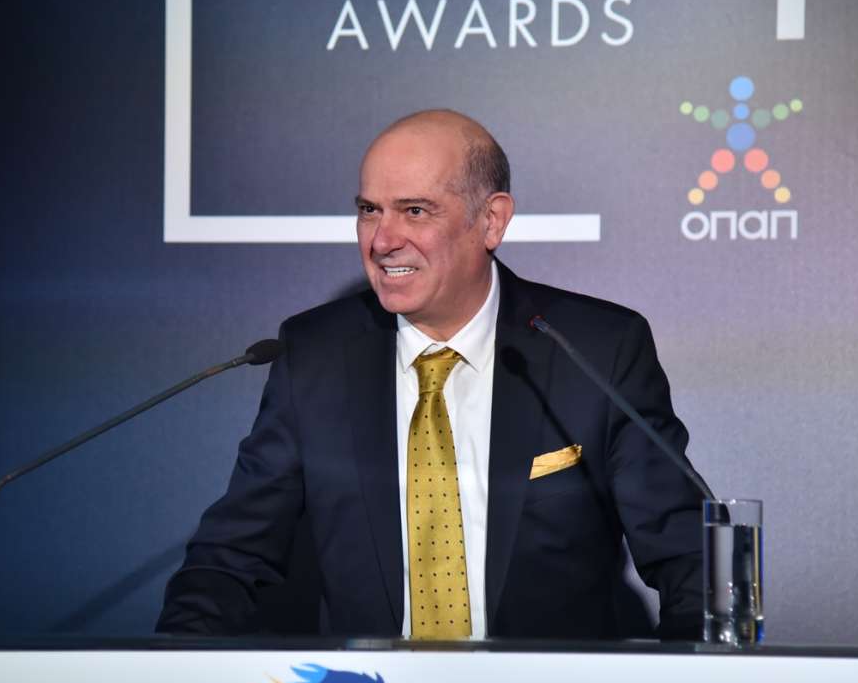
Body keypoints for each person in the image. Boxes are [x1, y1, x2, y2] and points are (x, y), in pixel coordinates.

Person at [157, 110, 705, 640]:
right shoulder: (316, 355)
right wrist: (172, 669)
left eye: (415, 211)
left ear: (491, 220)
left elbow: (688, 557)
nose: (382, 240)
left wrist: (698, 681)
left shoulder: (596, 349)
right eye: (369, 210)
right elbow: (230, 558)